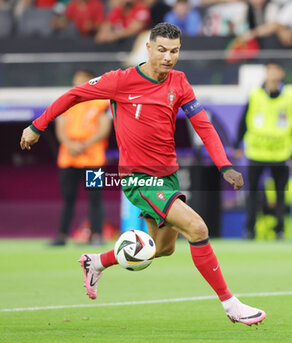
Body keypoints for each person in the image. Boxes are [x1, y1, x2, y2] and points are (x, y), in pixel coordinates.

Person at [20, 22, 266, 326]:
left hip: (168, 176)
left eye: (174, 51)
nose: (167, 57)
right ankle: (231, 305)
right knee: (198, 229)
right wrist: (37, 126)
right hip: (138, 178)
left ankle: (96, 261)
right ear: (148, 48)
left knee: (161, 248)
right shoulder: (120, 81)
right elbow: (74, 95)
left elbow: (204, 126)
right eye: (161, 49)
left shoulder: (180, 82)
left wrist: (225, 165)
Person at [52, 69, 112, 245]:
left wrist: (84, 144)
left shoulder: (101, 103)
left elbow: (104, 128)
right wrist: (72, 145)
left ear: (90, 80)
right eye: (75, 78)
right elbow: (60, 128)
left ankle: (97, 235)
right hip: (69, 158)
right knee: (68, 198)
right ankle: (61, 236)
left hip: (93, 159)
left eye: (81, 79)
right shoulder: (67, 101)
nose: (77, 82)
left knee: (95, 198)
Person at [234, 62, 291, 240]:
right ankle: (250, 230)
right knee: (252, 194)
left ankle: (279, 230)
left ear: (281, 73)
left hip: (280, 153)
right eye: (270, 70)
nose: (273, 74)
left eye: (276, 70)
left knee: (281, 194)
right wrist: (237, 145)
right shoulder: (255, 95)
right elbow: (243, 120)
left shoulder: (288, 96)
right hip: (257, 153)